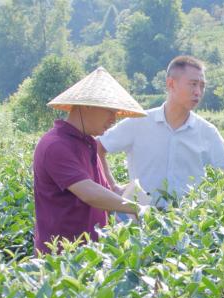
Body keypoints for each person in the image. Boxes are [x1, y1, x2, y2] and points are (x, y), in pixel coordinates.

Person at [98, 55, 224, 204]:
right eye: (193, 84)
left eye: (202, 86)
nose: (198, 92)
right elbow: (98, 147)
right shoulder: (139, 122)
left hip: (185, 222)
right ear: (171, 84)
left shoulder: (206, 131)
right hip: (141, 218)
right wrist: (112, 188)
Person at [33, 67, 148, 255]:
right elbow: (89, 193)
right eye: (110, 111)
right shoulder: (56, 145)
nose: (113, 119)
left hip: (91, 252)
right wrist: (136, 208)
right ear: (86, 105)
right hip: (62, 258)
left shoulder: (89, 143)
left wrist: (121, 191)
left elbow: (101, 190)